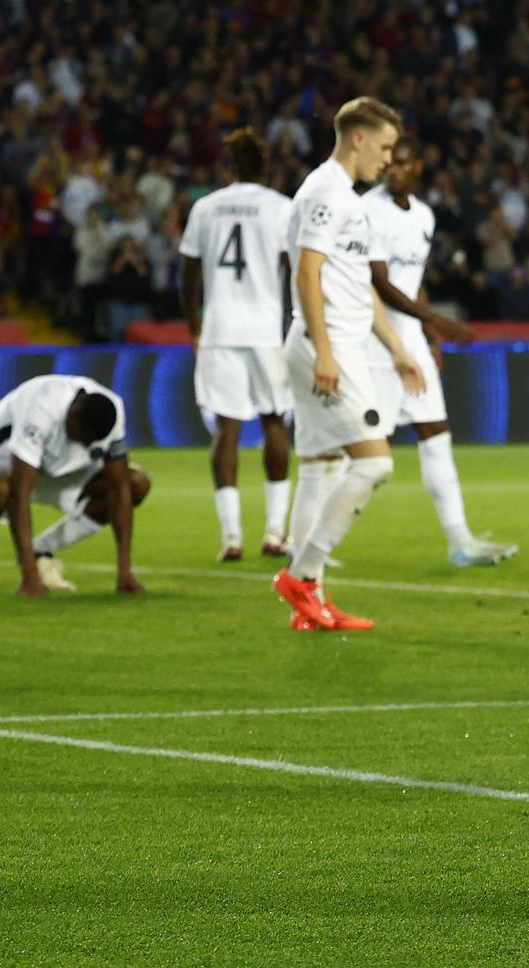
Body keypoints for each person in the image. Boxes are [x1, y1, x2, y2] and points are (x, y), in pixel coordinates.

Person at [272, 96, 424, 633]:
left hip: (337, 342)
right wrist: (327, 350)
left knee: (319, 467)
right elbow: (306, 273)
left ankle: (308, 603)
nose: (388, 159)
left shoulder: (349, 199)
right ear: (357, 138)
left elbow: (357, 285)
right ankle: (302, 573)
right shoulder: (324, 192)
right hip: (326, 345)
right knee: (375, 463)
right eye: (383, 148)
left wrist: (398, 349)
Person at [364, 133, 517, 567]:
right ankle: (304, 542)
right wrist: (438, 323)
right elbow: (379, 282)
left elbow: (413, 284)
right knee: (358, 451)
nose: (394, 169)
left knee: (436, 435)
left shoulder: (425, 216)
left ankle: (460, 542)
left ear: (418, 168)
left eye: (404, 162)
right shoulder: (369, 211)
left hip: (410, 338)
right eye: (389, 161)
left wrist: (429, 337)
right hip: (376, 343)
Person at [178, 127, 294, 561]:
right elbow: (294, 270)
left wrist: (194, 326)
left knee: (227, 429)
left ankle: (231, 537)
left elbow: (187, 276)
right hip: (266, 330)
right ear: (264, 169)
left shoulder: (205, 208)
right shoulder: (282, 209)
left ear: (229, 167)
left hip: (220, 329)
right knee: (274, 422)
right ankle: (274, 532)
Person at [0, 375, 149, 597]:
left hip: (54, 468)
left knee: (136, 483)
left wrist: (125, 570)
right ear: (73, 416)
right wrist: (29, 577)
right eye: (86, 439)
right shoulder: (41, 407)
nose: (88, 446)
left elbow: (119, 487)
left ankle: (42, 551)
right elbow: (19, 493)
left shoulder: (112, 408)